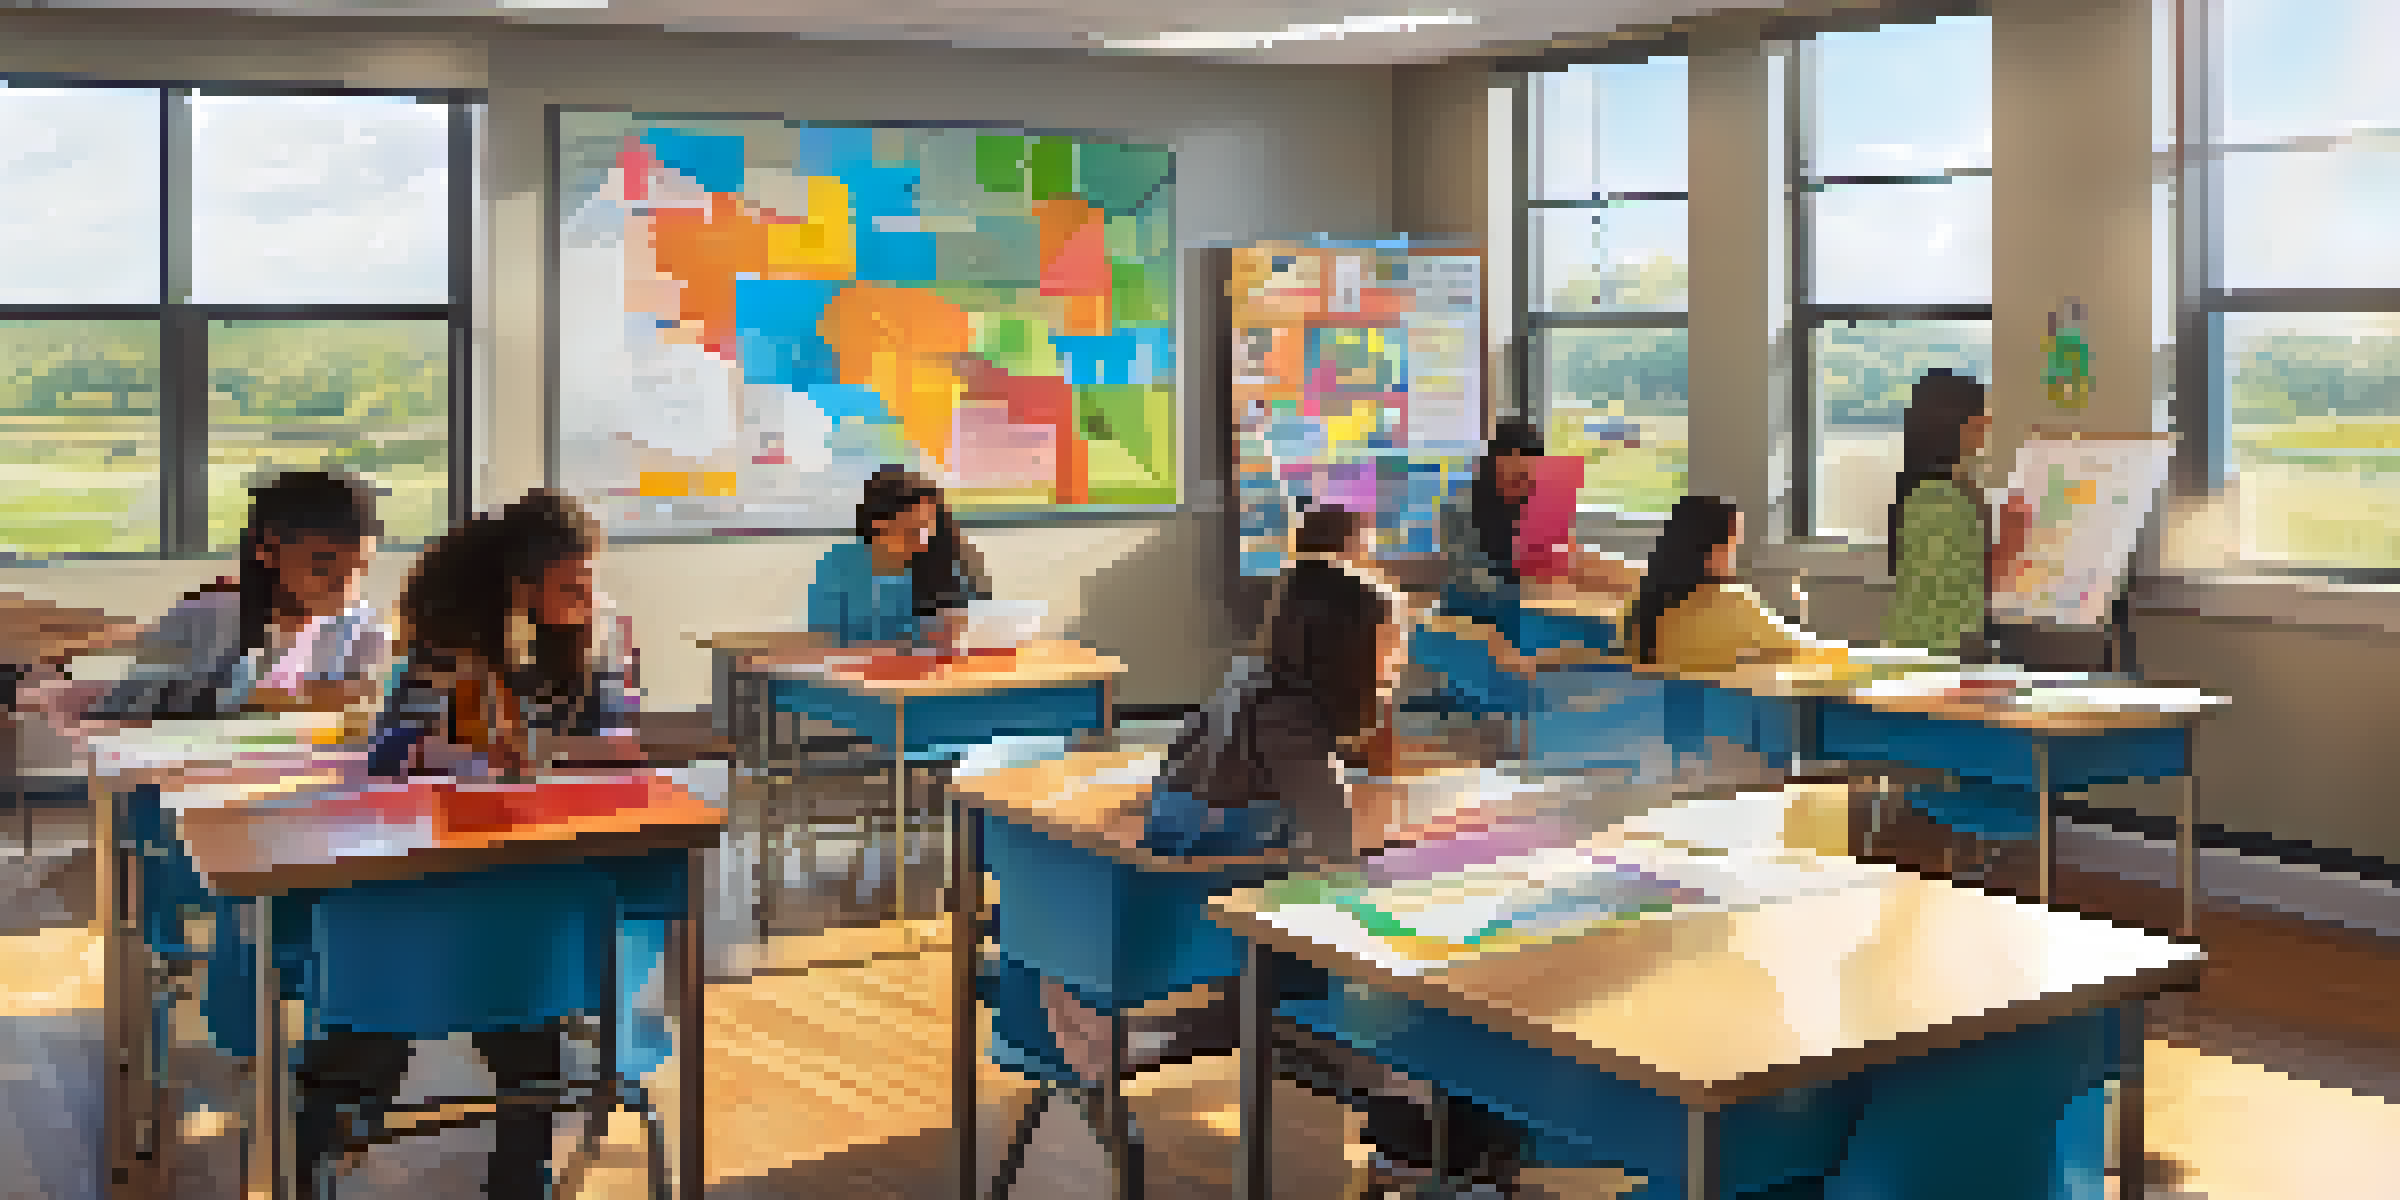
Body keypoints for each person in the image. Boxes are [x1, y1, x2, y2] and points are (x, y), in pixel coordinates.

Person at [1047, 558, 1530, 1195]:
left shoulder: (1248, 684)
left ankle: (1415, 1124)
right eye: (1392, 636)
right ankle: (1421, 1132)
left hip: (1200, 927)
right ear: (1345, 642)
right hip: (1245, 932)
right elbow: (1335, 847)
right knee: (1460, 946)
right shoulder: (1290, 718)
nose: (1401, 654)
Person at [311, 489, 642, 1199]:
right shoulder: (449, 648)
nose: (589, 598)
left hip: (533, 871)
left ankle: (514, 1178)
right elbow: (393, 749)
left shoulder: (597, 639)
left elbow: (618, 739)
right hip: (439, 867)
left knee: (519, 1034)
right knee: (384, 1028)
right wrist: (460, 750)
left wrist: (539, 750)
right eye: (570, 585)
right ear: (519, 590)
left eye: (590, 581)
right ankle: (329, 1138)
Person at [80, 470, 388, 722]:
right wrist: (251, 701)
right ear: (267, 550)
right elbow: (122, 712)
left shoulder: (362, 629)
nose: (345, 587)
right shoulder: (204, 620)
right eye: (322, 568)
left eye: (359, 569)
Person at [1884, 369, 2032, 660]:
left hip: (1912, 651)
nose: (1988, 426)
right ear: (1957, 425)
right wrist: (2014, 540)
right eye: (1982, 418)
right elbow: (1977, 585)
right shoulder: (1944, 501)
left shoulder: (1922, 490)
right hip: (1941, 657)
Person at [1625, 495, 1848, 675]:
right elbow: (1802, 650)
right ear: (1712, 550)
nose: (1735, 554)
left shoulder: (1640, 603)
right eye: (1733, 544)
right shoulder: (1732, 603)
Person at [807, 465, 991, 648]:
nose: (922, 543)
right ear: (877, 525)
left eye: (928, 531)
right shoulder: (839, 567)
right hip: (857, 671)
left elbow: (975, 632)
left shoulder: (948, 564)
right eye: (912, 532)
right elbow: (821, 641)